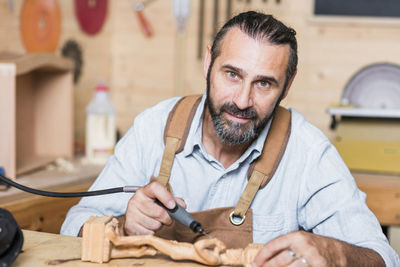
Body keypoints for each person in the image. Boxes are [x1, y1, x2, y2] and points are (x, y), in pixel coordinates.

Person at [61, 11, 399, 266]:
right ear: (209, 62)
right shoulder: (153, 128)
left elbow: (384, 256)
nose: (241, 100)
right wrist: (122, 225)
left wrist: (333, 251)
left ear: (288, 86)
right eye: (232, 74)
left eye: (264, 83)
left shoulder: (308, 153)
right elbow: (71, 227)